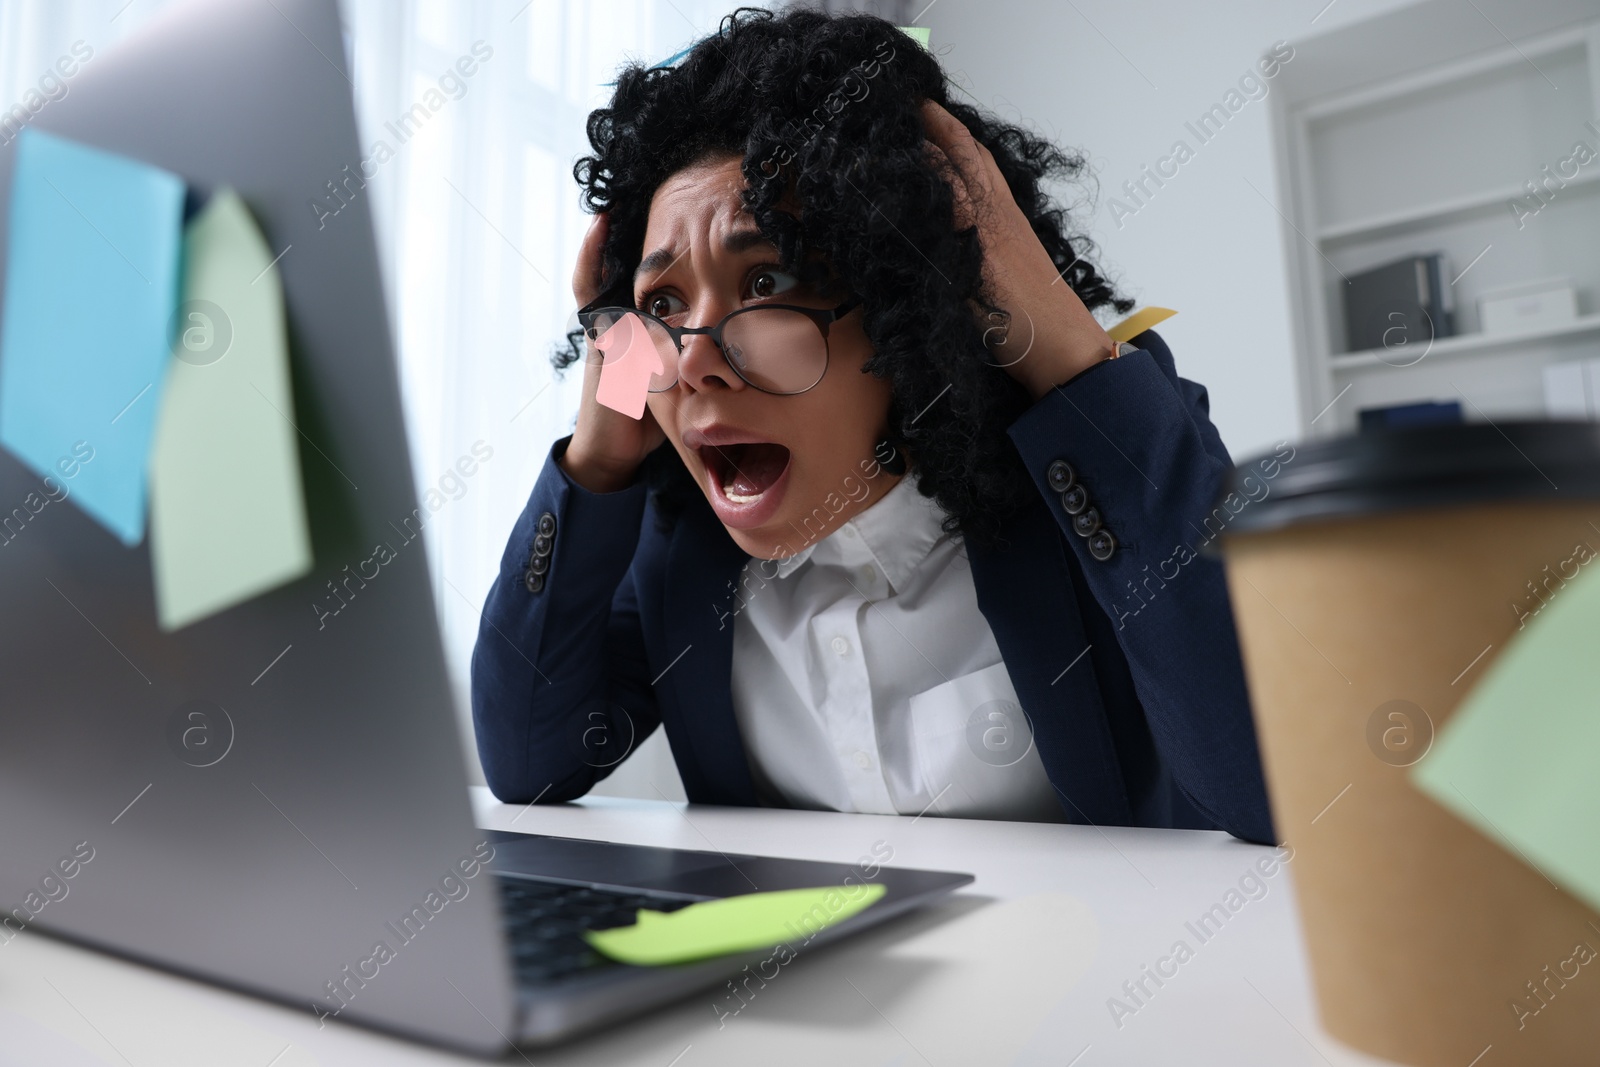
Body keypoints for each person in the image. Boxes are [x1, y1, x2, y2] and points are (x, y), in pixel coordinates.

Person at [471, 7, 1275, 843]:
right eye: (662, 303)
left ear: (906, 305)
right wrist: (599, 454)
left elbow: (1270, 782)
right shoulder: (684, 549)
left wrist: (1063, 349)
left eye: (766, 280)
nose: (694, 359)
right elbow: (533, 763)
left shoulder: (1099, 488)